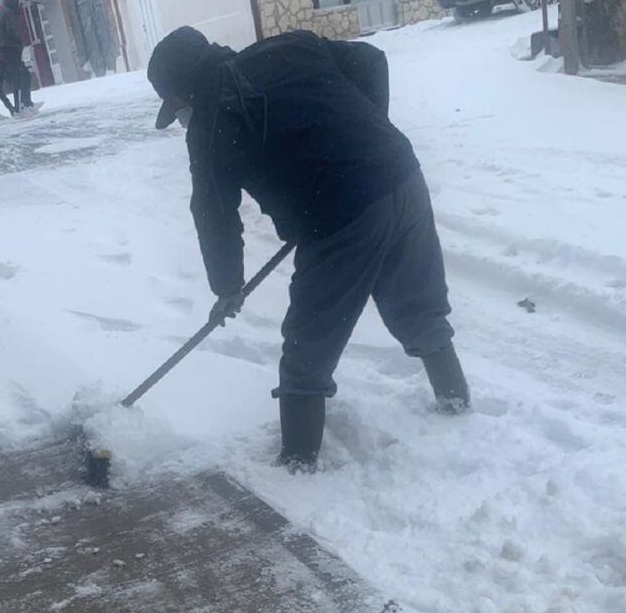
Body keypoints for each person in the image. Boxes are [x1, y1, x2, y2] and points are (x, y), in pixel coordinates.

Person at [148, 27, 471, 472]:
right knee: (419, 309)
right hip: (402, 177)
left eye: (178, 110)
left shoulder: (212, 121)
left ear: (184, 93)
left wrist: (227, 287)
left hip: (342, 212)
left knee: (307, 349)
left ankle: (296, 470)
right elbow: (369, 61)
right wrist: (367, 137)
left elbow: (213, 213)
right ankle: (458, 413)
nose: (182, 119)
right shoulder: (287, 47)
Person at [0, 0, 33, 113]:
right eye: (17, 0)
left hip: (7, 49)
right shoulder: (9, 13)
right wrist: (20, 42)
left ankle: (24, 104)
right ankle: (22, 105)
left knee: (20, 76)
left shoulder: (2, 12)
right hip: (11, 49)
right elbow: (12, 31)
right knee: (22, 77)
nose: (18, 3)